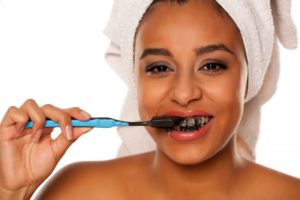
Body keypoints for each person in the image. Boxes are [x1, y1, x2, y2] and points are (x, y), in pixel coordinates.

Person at [0, 0, 299, 199]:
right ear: (136, 78)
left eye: (212, 65)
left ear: (251, 75)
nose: (183, 93)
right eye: (159, 68)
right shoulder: (77, 191)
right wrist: (12, 191)